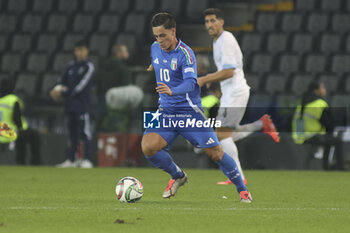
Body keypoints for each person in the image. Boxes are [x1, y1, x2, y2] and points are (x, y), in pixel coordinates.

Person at [141, 12, 252, 202]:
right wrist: (155, 66)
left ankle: (243, 191)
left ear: (173, 31)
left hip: (188, 112)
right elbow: (159, 60)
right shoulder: (155, 48)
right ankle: (178, 176)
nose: (159, 40)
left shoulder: (186, 53)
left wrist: (172, 91)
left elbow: (191, 83)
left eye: (163, 36)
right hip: (165, 111)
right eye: (156, 36)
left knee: (216, 153)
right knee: (148, 147)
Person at [197, 8, 280, 185]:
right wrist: (214, 80)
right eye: (207, 22)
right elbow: (224, 72)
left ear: (221, 22)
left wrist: (205, 78)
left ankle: (238, 176)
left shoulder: (226, 40)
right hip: (230, 93)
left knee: (222, 134)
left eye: (213, 21)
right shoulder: (216, 41)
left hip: (235, 92)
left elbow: (228, 71)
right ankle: (262, 123)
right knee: (222, 135)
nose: (210, 25)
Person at [50, 40, 94, 168]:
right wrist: (54, 90)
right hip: (70, 106)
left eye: (82, 50)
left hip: (82, 106)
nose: (79, 52)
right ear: (75, 51)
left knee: (85, 133)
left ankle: (87, 160)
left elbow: (79, 87)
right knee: (72, 134)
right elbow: (61, 81)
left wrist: (62, 93)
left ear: (87, 51)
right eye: (77, 50)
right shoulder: (71, 66)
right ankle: (71, 159)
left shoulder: (88, 67)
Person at [292, 80, 343, 170]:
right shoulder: (320, 103)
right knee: (336, 141)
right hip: (313, 135)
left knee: (328, 139)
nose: (324, 90)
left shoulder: (302, 102)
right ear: (317, 90)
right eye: (322, 88)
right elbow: (329, 124)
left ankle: (325, 166)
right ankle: (337, 168)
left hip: (300, 136)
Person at [0, 78, 41, 165]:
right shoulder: (12, 99)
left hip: (1, 132)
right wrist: (20, 128)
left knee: (22, 136)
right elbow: (16, 118)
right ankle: (34, 161)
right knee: (33, 135)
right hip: (10, 132)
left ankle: (20, 161)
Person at [95, 44, 133, 132]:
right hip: (117, 106)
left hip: (103, 102)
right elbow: (126, 89)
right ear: (119, 53)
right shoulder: (124, 69)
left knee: (102, 129)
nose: (128, 53)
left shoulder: (103, 67)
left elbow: (97, 84)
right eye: (125, 51)